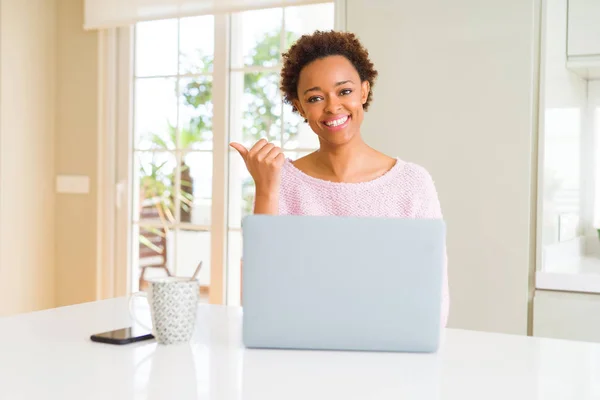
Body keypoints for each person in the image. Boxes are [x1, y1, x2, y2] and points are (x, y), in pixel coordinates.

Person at [230, 30, 449, 327]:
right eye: (315, 97)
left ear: (364, 91)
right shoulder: (280, 183)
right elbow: (260, 300)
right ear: (299, 107)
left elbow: (434, 300)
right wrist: (266, 190)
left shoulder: (412, 183)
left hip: (390, 351)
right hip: (301, 350)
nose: (332, 107)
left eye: (344, 91)